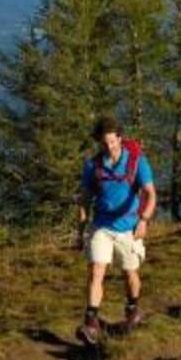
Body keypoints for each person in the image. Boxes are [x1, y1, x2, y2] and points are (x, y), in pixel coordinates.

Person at [75, 115, 156, 346]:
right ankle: (91, 321)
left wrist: (144, 220)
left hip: (129, 227)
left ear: (120, 138)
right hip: (101, 226)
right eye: (104, 143)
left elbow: (150, 194)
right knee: (96, 271)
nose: (109, 146)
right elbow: (84, 199)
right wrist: (81, 230)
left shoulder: (137, 162)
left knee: (130, 273)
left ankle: (132, 309)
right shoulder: (93, 166)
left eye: (112, 141)